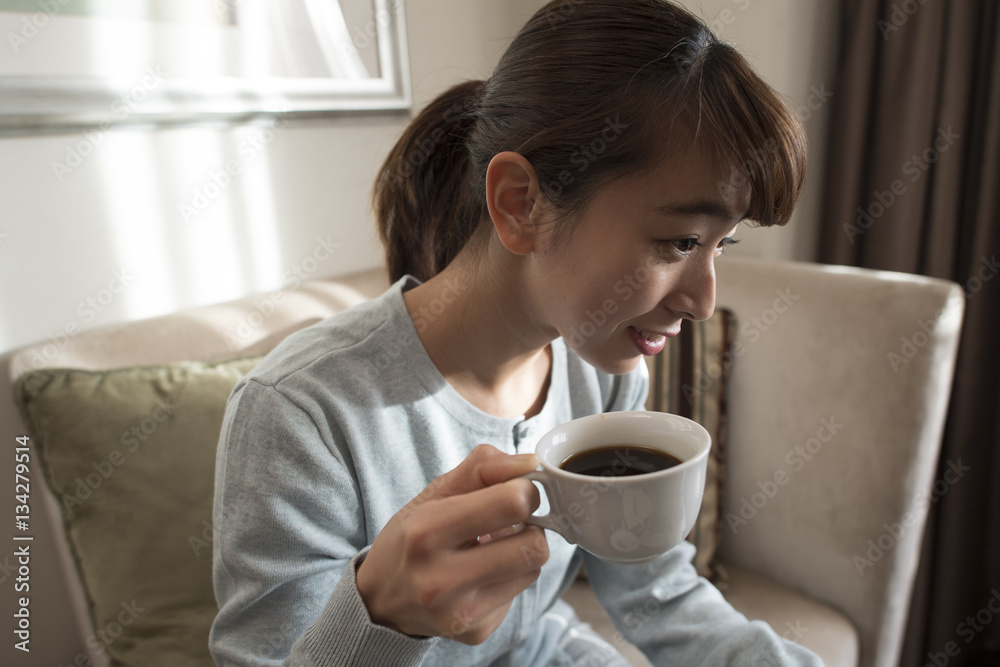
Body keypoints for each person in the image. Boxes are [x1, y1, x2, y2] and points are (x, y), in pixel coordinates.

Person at [209, 0, 822, 664]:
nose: (704, 301)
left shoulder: (605, 376)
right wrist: (381, 617)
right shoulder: (301, 412)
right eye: (679, 240)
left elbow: (655, 589)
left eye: (720, 244)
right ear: (519, 203)